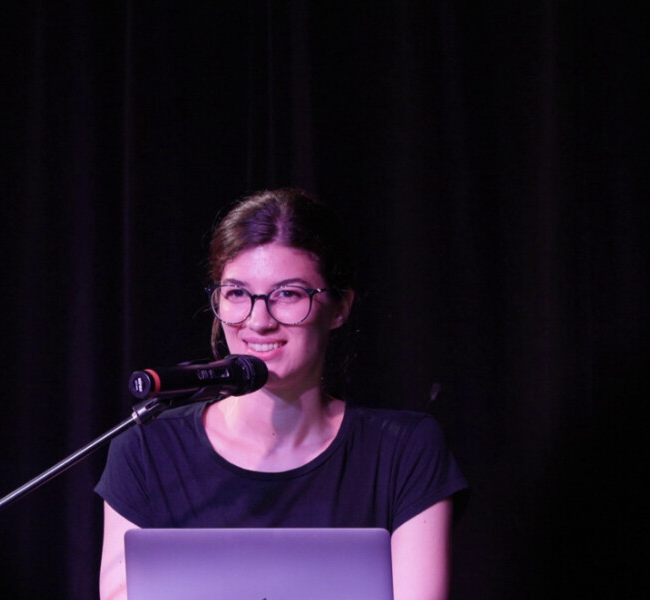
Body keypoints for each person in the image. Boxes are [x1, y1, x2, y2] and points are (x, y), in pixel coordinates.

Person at [96, 188, 468, 600]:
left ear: (340, 306)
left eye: (288, 294)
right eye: (237, 293)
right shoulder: (147, 448)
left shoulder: (404, 450)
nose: (258, 321)